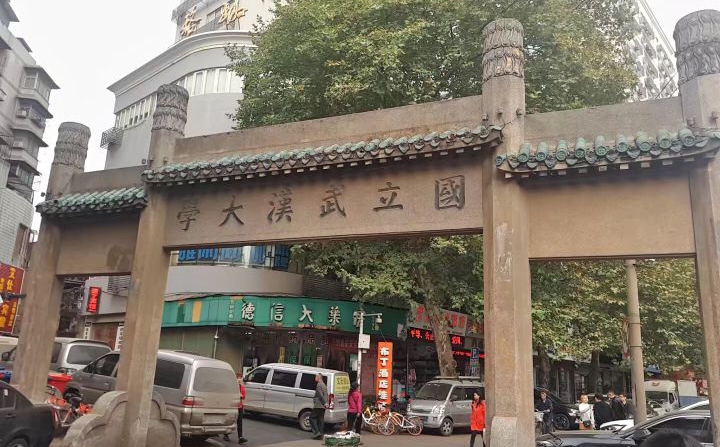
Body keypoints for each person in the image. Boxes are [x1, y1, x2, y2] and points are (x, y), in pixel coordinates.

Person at [224, 374, 248, 444]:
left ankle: (240, 437)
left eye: (240, 378)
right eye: (238, 378)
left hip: (239, 406)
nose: (239, 379)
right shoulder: (232, 387)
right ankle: (225, 434)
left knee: (239, 421)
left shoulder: (242, 387)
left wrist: (241, 396)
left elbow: (243, 396)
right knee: (230, 420)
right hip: (232, 406)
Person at [310, 373, 328, 440]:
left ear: (318, 377)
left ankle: (316, 432)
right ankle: (320, 435)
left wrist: (325, 403)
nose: (315, 378)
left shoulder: (319, 384)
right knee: (320, 420)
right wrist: (326, 403)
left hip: (319, 405)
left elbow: (320, 395)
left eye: (315, 377)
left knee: (312, 417)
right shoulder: (324, 384)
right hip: (323, 406)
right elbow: (326, 395)